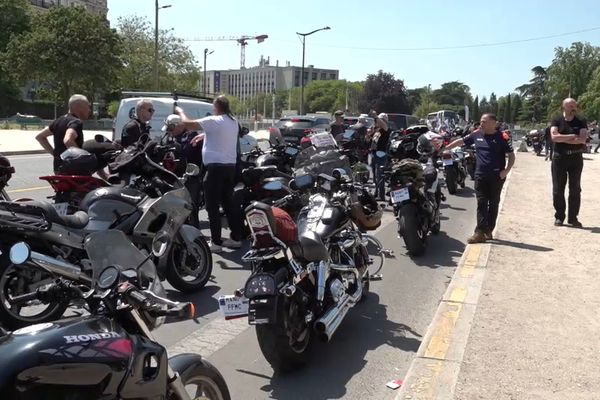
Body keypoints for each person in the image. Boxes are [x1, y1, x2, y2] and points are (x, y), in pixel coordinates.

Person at [175, 95, 242, 252]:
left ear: (217, 107)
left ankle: (216, 242)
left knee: (211, 206)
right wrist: (203, 135)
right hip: (229, 168)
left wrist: (180, 111)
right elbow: (223, 135)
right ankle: (236, 238)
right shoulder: (233, 122)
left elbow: (187, 124)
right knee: (227, 203)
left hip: (215, 170)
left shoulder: (214, 120)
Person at [446, 113, 515, 243]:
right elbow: (461, 141)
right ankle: (479, 232)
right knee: (481, 202)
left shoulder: (501, 137)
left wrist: (506, 171)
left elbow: (511, 156)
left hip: (496, 176)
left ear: (493, 123)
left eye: (484, 121)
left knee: (493, 204)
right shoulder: (476, 134)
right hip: (480, 175)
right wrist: (447, 148)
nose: (481, 123)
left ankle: (489, 229)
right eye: (481, 121)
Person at [550, 98, 588, 228]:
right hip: (559, 158)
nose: (573, 107)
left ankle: (573, 218)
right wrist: (572, 136)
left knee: (575, 189)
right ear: (564, 106)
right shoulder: (557, 120)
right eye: (570, 105)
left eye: (574, 105)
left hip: (576, 158)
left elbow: (582, 139)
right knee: (558, 189)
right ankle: (559, 216)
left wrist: (563, 138)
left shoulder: (581, 121)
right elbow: (554, 137)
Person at [161, 114, 204, 227]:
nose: (169, 131)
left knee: (190, 205)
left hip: (190, 176)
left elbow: (189, 152)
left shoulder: (192, 136)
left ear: (179, 126)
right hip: (174, 176)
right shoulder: (170, 137)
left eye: (171, 128)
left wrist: (177, 147)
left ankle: (194, 231)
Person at [35, 94, 90, 173]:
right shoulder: (76, 122)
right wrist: (82, 157)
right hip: (73, 170)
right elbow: (68, 140)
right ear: (79, 107)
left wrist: (55, 154)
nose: (89, 110)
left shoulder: (58, 121)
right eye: (87, 106)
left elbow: (40, 137)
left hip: (58, 169)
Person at [368, 111, 391, 200]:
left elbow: (384, 125)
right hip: (374, 153)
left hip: (381, 153)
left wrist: (376, 117)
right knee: (374, 175)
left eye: (381, 120)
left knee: (379, 174)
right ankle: (376, 192)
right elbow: (370, 138)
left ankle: (381, 195)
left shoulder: (386, 129)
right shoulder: (377, 130)